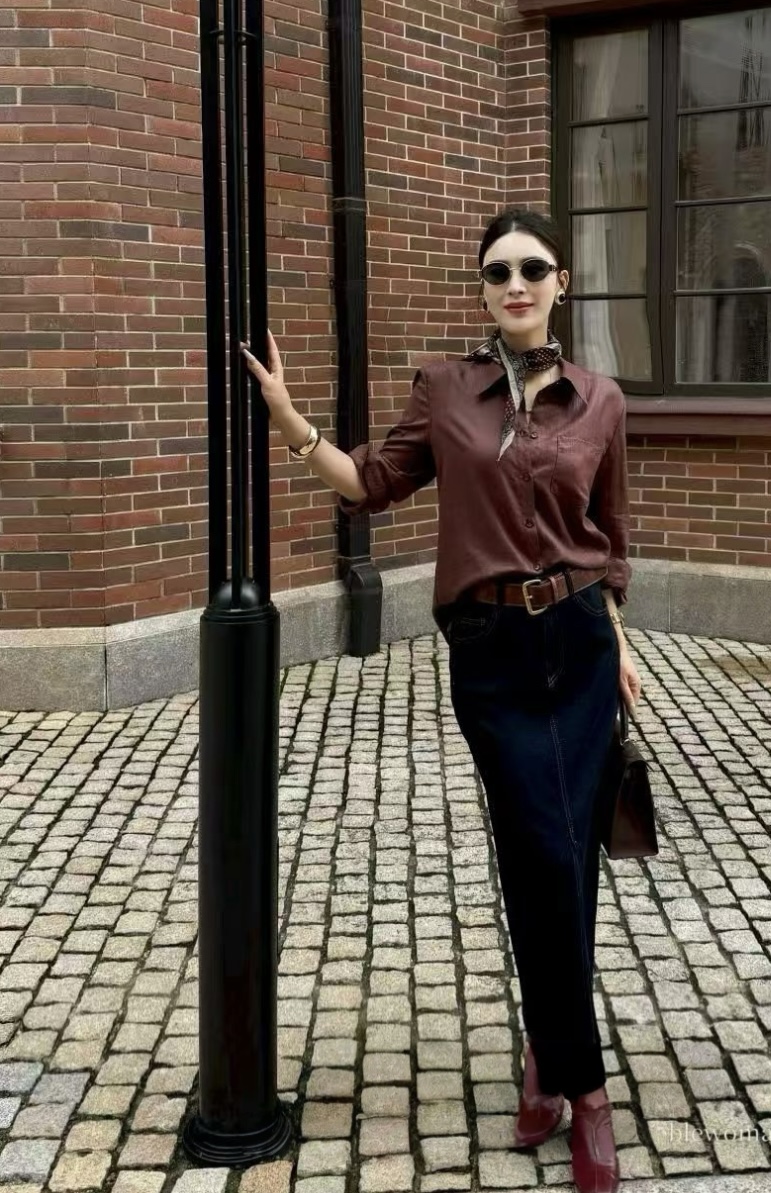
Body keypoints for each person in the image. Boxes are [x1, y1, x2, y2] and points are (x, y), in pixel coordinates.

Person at [243, 208, 641, 1193]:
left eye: (532, 267)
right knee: (539, 848)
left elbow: (609, 538)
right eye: (497, 271)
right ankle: (583, 1086)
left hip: (582, 646)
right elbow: (371, 482)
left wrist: (623, 646)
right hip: (491, 652)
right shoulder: (444, 389)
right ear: (482, 289)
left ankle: (555, 1062)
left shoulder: (601, 400)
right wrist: (290, 420)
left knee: (567, 856)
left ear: (560, 282)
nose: (515, 284)